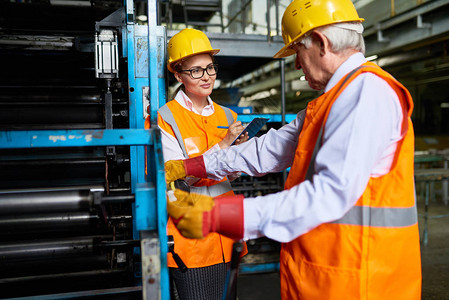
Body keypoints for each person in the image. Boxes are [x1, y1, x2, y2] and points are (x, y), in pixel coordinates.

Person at [164, 1, 422, 299]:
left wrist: (222, 215)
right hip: (332, 271)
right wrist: (194, 166)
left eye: (298, 52)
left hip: (364, 277)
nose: (297, 64)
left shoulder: (366, 94)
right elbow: (267, 149)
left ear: (322, 44)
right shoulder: (331, 100)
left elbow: (329, 192)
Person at [158, 28, 248, 300]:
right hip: (192, 238)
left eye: (209, 67)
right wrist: (223, 147)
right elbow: (176, 179)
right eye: (196, 71)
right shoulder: (166, 118)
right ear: (178, 75)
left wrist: (240, 156)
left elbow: (230, 177)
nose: (207, 76)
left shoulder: (228, 115)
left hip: (227, 231)